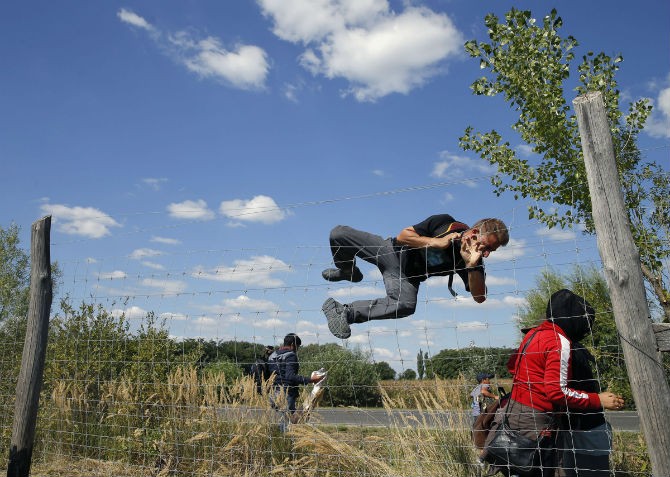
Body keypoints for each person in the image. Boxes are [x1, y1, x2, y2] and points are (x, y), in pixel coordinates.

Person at [482, 289, 625, 476]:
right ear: (573, 319)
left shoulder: (533, 334)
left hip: (515, 415)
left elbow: (512, 365)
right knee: (538, 466)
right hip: (538, 421)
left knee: (522, 468)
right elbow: (557, 392)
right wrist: (598, 399)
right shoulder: (559, 341)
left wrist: (534, 380)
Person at [321, 215, 509, 339]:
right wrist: (437, 242)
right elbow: (404, 236)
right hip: (390, 250)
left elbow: (479, 297)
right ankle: (347, 271)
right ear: (475, 233)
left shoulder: (473, 261)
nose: (486, 254)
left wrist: (471, 266)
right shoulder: (446, 223)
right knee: (339, 234)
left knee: (405, 305)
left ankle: (344, 312)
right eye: (487, 247)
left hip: (407, 277)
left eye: (491, 251)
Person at [267, 333, 324, 430]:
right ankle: (287, 444)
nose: (297, 350)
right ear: (293, 344)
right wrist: (311, 380)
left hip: (273, 394)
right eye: (297, 347)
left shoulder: (272, 355)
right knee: (289, 425)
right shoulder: (291, 356)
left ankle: (285, 442)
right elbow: (290, 376)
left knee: (285, 422)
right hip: (286, 394)